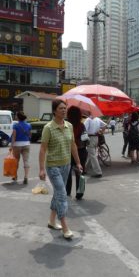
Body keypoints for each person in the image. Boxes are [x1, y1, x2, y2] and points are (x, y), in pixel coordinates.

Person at [39, 99, 82, 239]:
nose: (64, 110)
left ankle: (51, 221)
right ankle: (65, 227)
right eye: (61, 108)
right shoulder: (48, 128)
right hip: (53, 166)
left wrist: (78, 162)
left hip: (66, 165)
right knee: (62, 195)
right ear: (54, 111)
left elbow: (73, 146)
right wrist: (41, 169)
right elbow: (42, 149)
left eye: (65, 108)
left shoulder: (69, 126)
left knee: (58, 194)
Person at [66, 106, 88, 200]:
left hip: (68, 151)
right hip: (81, 151)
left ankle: (67, 192)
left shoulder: (66, 124)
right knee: (80, 172)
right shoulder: (81, 125)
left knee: (68, 172)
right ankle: (79, 193)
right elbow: (85, 139)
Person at [10, 111, 31, 184]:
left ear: (18, 117)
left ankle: (15, 176)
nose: (15, 116)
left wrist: (11, 146)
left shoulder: (15, 125)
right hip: (26, 144)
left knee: (16, 160)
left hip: (17, 145)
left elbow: (14, 137)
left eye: (16, 115)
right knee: (26, 161)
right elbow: (29, 135)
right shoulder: (28, 125)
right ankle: (26, 177)